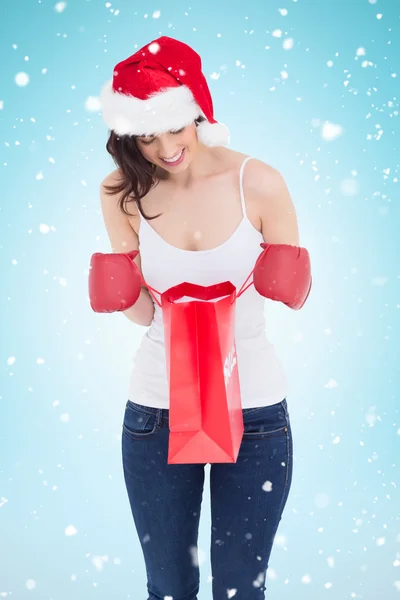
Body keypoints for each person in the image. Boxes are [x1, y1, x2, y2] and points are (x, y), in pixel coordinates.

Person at [89, 35, 311, 600]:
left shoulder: (258, 182)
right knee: (168, 587)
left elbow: (295, 294)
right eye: (144, 135)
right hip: (157, 410)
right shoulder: (121, 192)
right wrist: (124, 294)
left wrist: (293, 279)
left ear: (199, 113)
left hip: (256, 412)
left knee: (241, 588)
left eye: (174, 127)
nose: (163, 147)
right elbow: (145, 316)